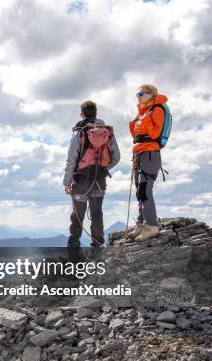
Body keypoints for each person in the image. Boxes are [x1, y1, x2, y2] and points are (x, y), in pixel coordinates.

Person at [64, 100, 120, 248]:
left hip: (81, 180)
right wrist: (104, 168)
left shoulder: (79, 132)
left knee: (77, 216)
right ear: (95, 112)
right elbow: (116, 157)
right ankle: (97, 247)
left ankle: (73, 248)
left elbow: (71, 159)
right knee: (96, 214)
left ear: (82, 113)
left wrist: (67, 182)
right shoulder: (107, 133)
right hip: (99, 180)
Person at [128, 84, 169, 241]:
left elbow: (154, 133)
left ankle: (151, 226)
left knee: (145, 191)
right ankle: (141, 223)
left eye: (141, 93)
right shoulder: (144, 113)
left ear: (151, 94)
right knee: (140, 191)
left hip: (150, 154)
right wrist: (136, 122)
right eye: (137, 94)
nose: (138, 96)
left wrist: (143, 119)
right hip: (140, 153)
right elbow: (136, 136)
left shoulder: (157, 110)